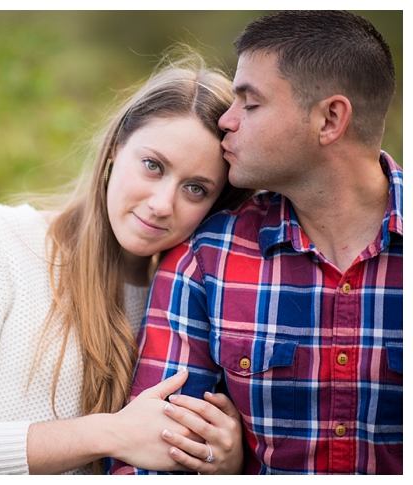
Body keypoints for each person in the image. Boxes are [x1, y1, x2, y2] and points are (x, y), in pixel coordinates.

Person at [0, 51, 255, 475]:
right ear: (116, 148)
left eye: (195, 189)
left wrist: (225, 463)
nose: (162, 204)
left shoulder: (181, 302)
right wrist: (110, 433)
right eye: (153, 166)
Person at [109, 11, 402, 475]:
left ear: (330, 119)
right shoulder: (207, 257)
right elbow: (151, 459)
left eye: (250, 103)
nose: (225, 120)